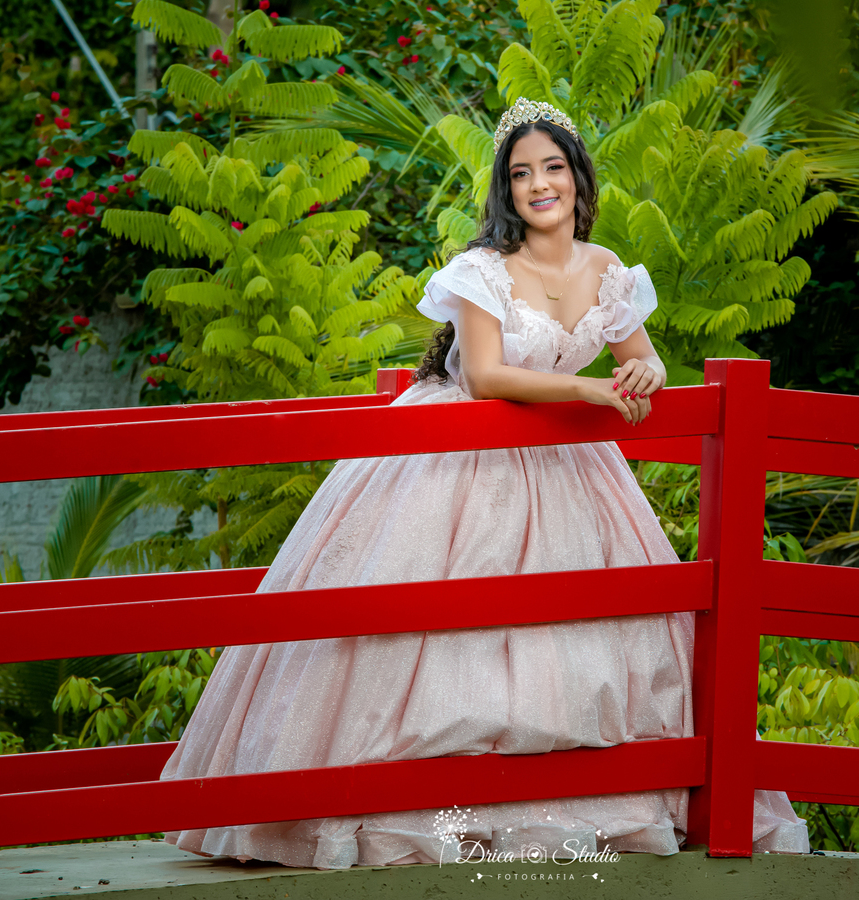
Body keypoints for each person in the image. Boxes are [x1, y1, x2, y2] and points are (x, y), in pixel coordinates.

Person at [159, 97, 810, 868]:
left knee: (588, 635)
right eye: (522, 173)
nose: (541, 185)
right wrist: (593, 392)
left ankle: (583, 802)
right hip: (461, 453)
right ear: (507, 190)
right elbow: (493, 377)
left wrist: (645, 368)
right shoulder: (481, 272)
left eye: (553, 168)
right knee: (429, 630)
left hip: (568, 464)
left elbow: (645, 354)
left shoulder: (606, 270)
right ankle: (393, 809)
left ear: (578, 179)